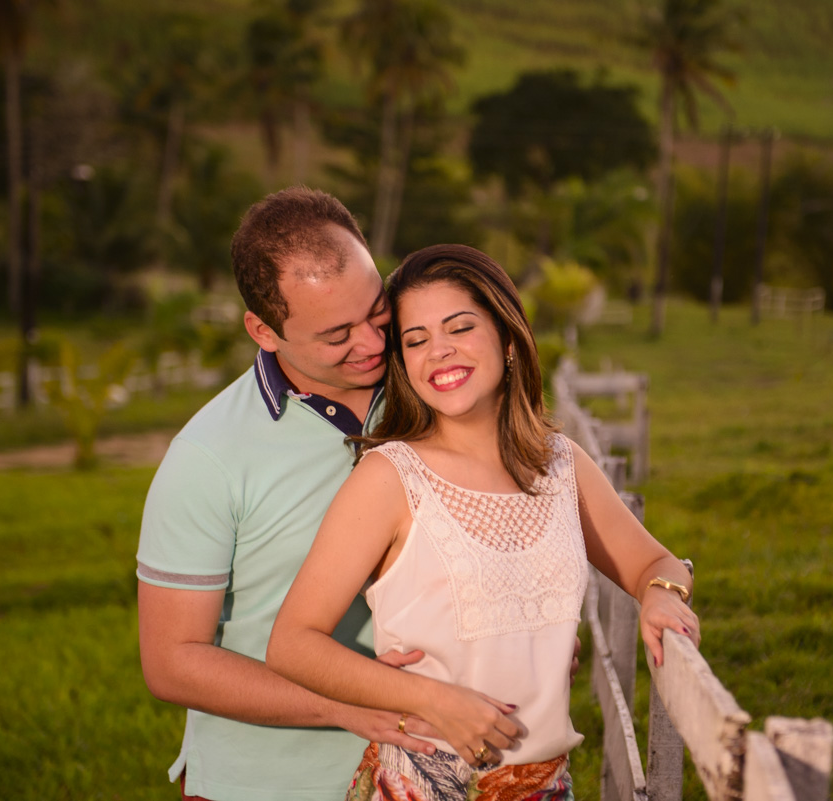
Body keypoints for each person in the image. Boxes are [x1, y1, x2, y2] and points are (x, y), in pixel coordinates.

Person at [265, 244, 699, 800]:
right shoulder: (389, 477)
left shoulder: (561, 465)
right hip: (421, 786)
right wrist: (433, 700)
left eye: (459, 328)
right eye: (415, 340)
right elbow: (291, 644)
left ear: (508, 338)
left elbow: (655, 564)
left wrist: (662, 594)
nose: (438, 353)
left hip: (546, 787)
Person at [136, 186, 445, 801]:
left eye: (377, 312)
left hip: (437, 772)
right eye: (337, 335)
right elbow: (172, 660)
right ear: (264, 330)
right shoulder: (206, 457)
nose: (373, 344)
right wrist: (347, 704)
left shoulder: (438, 390)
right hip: (265, 784)